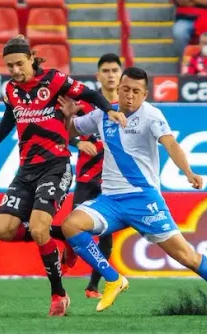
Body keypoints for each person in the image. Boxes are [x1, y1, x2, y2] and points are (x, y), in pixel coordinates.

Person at [57, 67, 207, 317]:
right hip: (110, 200)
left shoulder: (151, 116)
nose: (129, 96)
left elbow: (170, 144)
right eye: (125, 90)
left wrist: (188, 172)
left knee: (187, 256)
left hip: (143, 200)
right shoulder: (105, 113)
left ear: (145, 95)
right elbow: (69, 133)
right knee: (71, 226)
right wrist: (68, 118)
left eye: (136, 91)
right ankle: (113, 279)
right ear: (118, 90)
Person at [0, 35, 126, 317]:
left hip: (56, 165)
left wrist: (110, 110)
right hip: (26, 169)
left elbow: (88, 94)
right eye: (10, 66)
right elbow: (10, 119)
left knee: (39, 229)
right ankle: (65, 237)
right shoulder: (10, 90)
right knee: (3, 230)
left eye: (19, 63)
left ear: (31, 58)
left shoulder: (53, 81)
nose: (15, 70)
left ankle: (58, 294)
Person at [67, 53, 122, 299]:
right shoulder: (86, 104)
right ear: (97, 75)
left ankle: (93, 286)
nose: (111, 75)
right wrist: (78, 142)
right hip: (87, 178)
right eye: (106, 71)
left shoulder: (128, 105)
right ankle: (70, 248)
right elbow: (64, 131)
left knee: (106, 239)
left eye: (114, 70)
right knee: (76, 224)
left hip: (113, 183)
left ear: (121, 74)